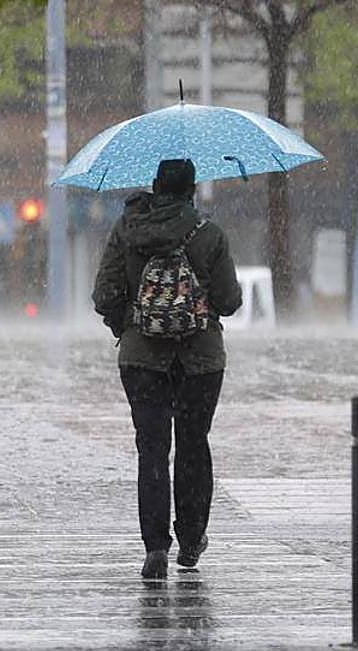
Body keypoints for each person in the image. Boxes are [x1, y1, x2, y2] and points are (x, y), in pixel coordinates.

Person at [92, 158, 242, 579]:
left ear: (155, 186)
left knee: (153, 449)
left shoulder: (127, 230)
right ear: (192, 190)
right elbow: (229, 301)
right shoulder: (210, 234)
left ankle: (155, 547)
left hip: (142, 358)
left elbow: (104, 294)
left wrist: (129, 324)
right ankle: (191, 539)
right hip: (200, 360)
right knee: (193, 445)